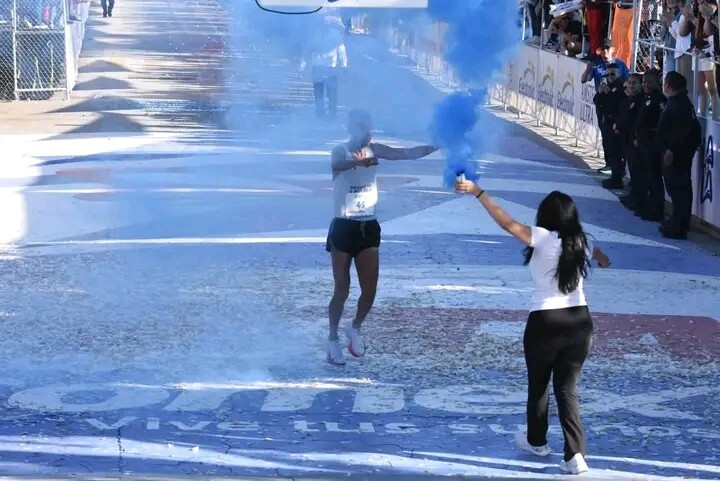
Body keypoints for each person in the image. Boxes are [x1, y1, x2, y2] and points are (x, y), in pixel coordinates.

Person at [454, 180, 611, 476]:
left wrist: (479, 193)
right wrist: (603, 260)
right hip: (580, 323)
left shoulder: (543, 237)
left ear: (546, 216)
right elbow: (600, 253)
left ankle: (536, 441)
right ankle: (576, 454)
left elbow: (507, 224)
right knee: (567, 389)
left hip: (545, 321)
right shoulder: (582, 242)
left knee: (539, 384)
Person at [326, 109, 438, 365]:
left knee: (370, 290)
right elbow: (336, 165)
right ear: (352, 129)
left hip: (368, 226)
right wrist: (358, 163)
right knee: (342, 288)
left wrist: (436, 145)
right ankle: (332, 340)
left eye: (370, 128)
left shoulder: (375, 150)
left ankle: (354, 327)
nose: (368, 134)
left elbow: (406, 154)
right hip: (343, 226)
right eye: (364, 129)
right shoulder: (339, 151)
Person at [656, 71, 703, 239]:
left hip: (677, 154)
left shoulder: (679, 104)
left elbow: (681, 132)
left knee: (678, 187)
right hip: (679, 152)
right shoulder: (680, 102)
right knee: (678, 187)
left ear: (668, 85)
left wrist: (671, 150)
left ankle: (679, 224)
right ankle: (679, 220)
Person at [581, 39, 630, 175]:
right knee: (606, 134)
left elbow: (628, 82)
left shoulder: (620, 65)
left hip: (617, 103)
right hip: (603, 103)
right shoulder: (596, 65)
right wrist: (588, 68)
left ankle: (620, 166)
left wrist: (619, 89)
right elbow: (584, 79)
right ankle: (609, 163)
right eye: (602, 49)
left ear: (613, 49)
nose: (605, 52)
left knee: (618, 135)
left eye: (607, 49)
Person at [634, 69, 667, 221]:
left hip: (653, 143)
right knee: (646, 176)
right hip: (644, 142)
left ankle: (657, 209)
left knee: (654, 177)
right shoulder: (645, 98)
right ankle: (648, 205)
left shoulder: (660, 100)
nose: (646, 85)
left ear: (657, 83)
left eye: (650, 82)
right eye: (645, 82)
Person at [301, 16, 348, 118]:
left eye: (326, 23)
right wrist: (303, 65)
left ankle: (332, 114)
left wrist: (344, 64)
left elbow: (341, 49)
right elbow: (307, 50)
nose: (324, 25)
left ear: (330, 24)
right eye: (322, 23)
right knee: (318, 94)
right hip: (317, 67)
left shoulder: (335, 34)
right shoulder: (314, 35)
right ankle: (320, 115)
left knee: (332, 93)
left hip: (331, 68)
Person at [593, 63, 627, 190]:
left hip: (615, 123)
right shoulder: (607, 86)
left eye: (612, 74)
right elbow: (597, 101)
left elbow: (617, 104)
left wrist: (609, 94)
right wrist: (601, 92)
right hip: (606, 121)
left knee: (616, 151)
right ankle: (613, 175)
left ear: (618, 74)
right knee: (609, 148)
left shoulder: (621, 87)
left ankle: (617, 178)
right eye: (607, 74)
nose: (609, 77)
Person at [614, 73, 645, 210]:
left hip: (636, 140)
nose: (631, 86)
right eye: (630, 83)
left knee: (638, 171)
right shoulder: (628, 98)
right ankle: (634, 195)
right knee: (632, 169)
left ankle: (638, 199)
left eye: (634, 83)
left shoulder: (641, 100)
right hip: (627, 139)